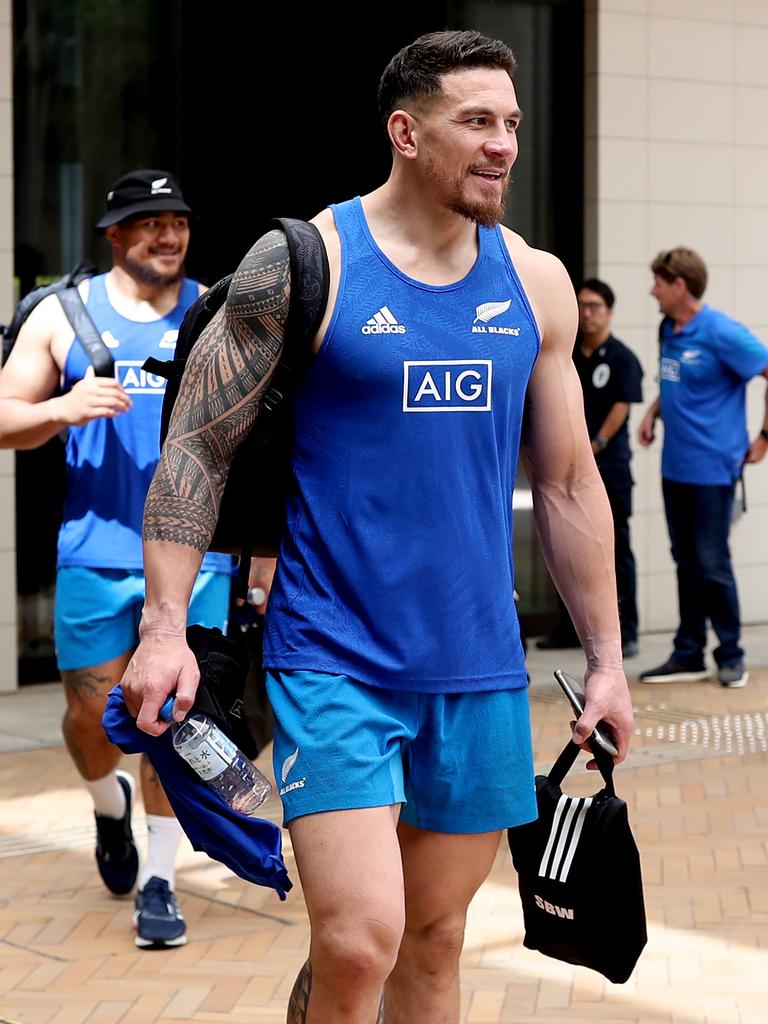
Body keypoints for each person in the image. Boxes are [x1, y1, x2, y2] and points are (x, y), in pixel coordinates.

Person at [120, 32, 634, 1023]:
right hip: (333, 656)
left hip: (479, 666)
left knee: (434, 945)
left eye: (513, 124)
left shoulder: (534, 284)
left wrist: (608, 659)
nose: (504, 146)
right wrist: (165, 626)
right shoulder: (305, 263)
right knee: (360, 939)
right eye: (476, 122)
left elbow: (569, 482)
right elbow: (195, 448)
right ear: (405, 131)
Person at [0, 169, 232, 948]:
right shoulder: (62, 315)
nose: (169, 234)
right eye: (149, 222)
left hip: (197, 554)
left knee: (170, 720)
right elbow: (4, 413)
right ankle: (109, 810)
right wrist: (58, 408)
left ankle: (160, 883)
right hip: (94, 553)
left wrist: (262, 552)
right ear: (113, 234)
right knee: (88, 717)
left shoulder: (217, 311)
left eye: (179, 221)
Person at [637, 246, 768, 688]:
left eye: (658, 282)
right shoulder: (669, 329)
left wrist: (764, 437)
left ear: (680, 285)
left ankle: (731, 655)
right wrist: (655, 411)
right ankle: (688, 652)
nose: (652, 290)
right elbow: (675, 380)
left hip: (714, 469)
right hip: (676, 467)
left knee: (712, 563)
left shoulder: (721, 332)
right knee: (685, 561)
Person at [536, 279, 643, 658]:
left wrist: (595, 445)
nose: (587, 313)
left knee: (616, 550)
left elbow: (622, 405)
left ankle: (625, 631)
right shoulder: (566, 355)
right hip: (564, 469)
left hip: (608, 469)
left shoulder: (622, 358)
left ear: (609, 311)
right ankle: (570, 629)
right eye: (581, 305)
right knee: (567, 547)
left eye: (595, 306)